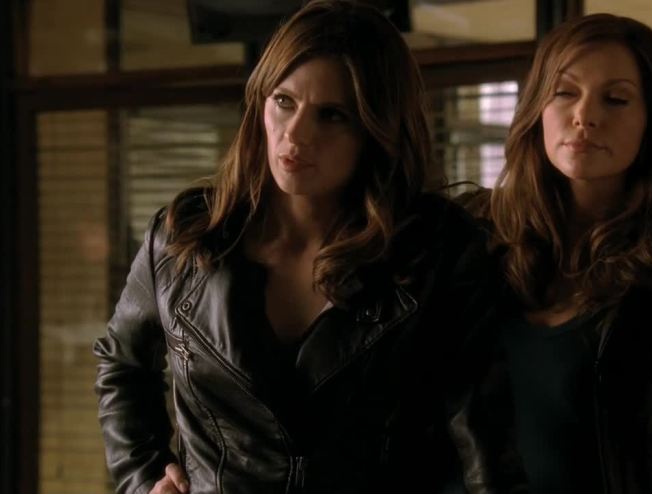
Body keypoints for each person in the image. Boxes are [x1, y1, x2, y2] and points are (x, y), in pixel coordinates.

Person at [94, 1, 501, 493]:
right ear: (260, 102)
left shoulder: (434, 250)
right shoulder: (185, 237)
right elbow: (122, 364)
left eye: (332, 115)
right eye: (284, 101)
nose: (296, 134)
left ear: (376, 128)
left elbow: (479, 430)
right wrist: (144, 480)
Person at [456, 13, 652, 494]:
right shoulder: (470, 236)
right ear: (537, 107)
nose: (584, 116)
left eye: (615, 99)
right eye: (564, 92)